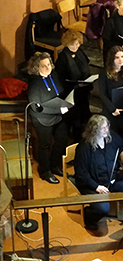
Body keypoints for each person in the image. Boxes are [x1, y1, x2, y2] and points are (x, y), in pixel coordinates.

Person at [74, 115, 123, 231]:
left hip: (113, 179)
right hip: (93, 184)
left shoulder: (111, 138)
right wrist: (96, 187)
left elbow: (122, 147)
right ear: (94, 130)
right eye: (103, 128)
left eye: (107, 126)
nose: (106, 130)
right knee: (103, 209)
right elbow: (81, 173)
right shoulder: (83, 148)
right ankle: (89, 216)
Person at [27, 52, 69, 184]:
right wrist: (59, 109)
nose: (48, 68)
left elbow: (59, 92)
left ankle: (54, 165)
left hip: (57, 114)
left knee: (62, 139)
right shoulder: (34, 83)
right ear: (36, 68)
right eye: (44, 66)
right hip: (42, 118)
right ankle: (45, 171)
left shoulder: (53, 76)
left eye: (49, 64)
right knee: (45, 145)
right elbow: (36, 107)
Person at [55, 29, 92, 143]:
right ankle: (76, 139)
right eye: (72, 45)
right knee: (75, 118)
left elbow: (86, 64)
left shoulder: (79, 52)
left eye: (77, 44)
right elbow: (60, 79)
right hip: (71, 92)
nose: (75, 47)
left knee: (85, 115)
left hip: (83, 90)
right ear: (66, 44)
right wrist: (75, 84)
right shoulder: (62, 59)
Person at [98, 46, 123, 135]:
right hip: (112, 110)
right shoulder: (104, 73)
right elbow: (102, 94)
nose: (120, 60)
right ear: (112, 59)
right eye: (117, 57)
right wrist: (113, 109)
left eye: (122, 57)